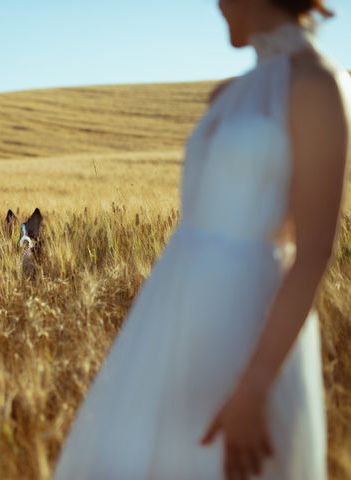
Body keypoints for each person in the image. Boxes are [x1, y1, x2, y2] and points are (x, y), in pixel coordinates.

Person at [52, 0, 350, 478]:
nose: (216, 6)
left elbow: (314, 251)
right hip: (169, 321)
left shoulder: (316, 85)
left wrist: (254, 387)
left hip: (249, 331)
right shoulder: (227, 95)